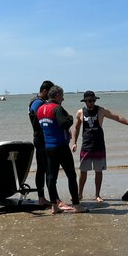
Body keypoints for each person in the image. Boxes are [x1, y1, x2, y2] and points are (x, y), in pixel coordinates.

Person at [71, 91, 128, 202]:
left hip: (99, 146)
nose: (92, 102)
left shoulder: (101, 110)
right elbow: (76, 128)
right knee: (83, 171)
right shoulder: (80, 112)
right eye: (90, 101)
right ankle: (80, 194)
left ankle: (97, 195)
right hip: (86, 146)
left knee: (99, 171)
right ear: (85, 101)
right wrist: (74, 142)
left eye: (94, 100)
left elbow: (117, 117)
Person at [37, 85, 88, 214]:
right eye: (62, 96)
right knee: (71, 175)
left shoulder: (40, 109)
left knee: (51, 177)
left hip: (48, 147)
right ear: (57, 95)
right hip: (60, 147)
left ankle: (54, 206)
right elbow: (63, 123)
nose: (63, 99)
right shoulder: (57, 108)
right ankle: (76, 205)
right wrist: (70, 118)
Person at [28, 80, 72, 210]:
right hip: (42, 139)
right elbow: (38, 119)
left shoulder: (36, 101)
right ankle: (52, 200)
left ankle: (45, 198)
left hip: (41, 139)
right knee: (46, 170)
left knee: (44, 169)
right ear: (45, 91)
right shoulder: (38, 103)